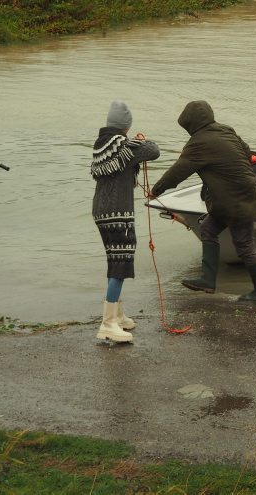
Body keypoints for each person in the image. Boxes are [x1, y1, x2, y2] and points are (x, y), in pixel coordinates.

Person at [150, 100, 256, 301]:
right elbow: (248, 153)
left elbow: (178, 172)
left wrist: (156, 190)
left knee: (244, 245)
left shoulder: (199, 143)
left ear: (190, 123)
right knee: (208, 228)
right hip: (243, 195)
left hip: (234, 201)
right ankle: (208, 280)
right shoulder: (225, 130)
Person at [91, 100, 160, 343]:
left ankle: (117, 315)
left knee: (114, 259)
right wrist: (142, 140)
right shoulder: (124, 145)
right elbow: (153, 151)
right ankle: (108, 324)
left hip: (100, 210)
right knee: (121, 262)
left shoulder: (102, 144)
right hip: (117, 212)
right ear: (126, 126)